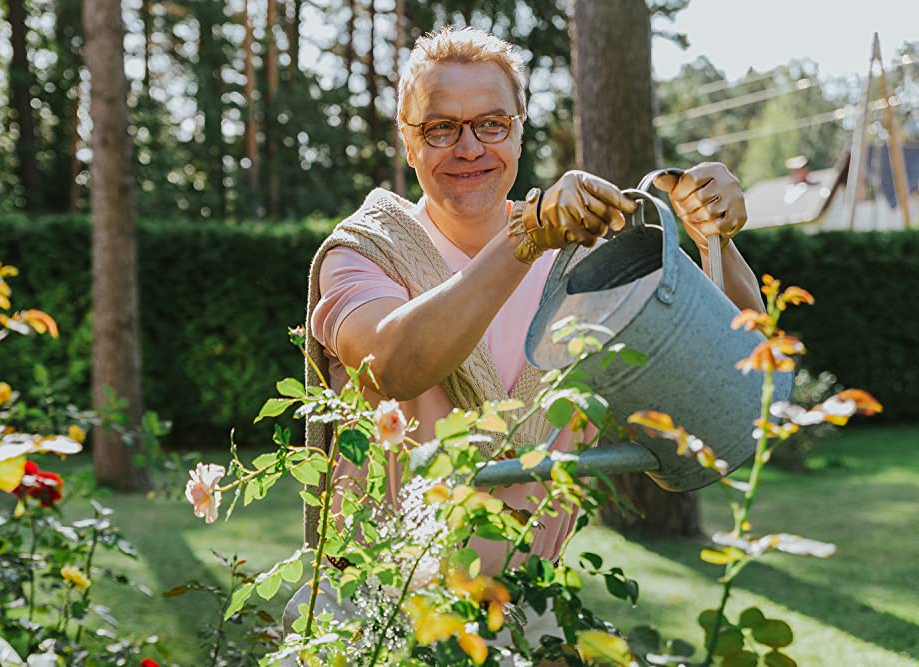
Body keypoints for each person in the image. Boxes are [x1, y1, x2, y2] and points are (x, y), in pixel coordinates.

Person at [294, 25, 764, 656]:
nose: (469, 147)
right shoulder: (364, 250)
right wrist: (526, 240)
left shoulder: (583, 264)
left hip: (528, 616)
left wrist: (716, 238)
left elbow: (735, 373)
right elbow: (392, 364)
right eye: (440, 128)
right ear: (408, 143)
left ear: (518, 132)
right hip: (375, 616)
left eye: (491, 123)